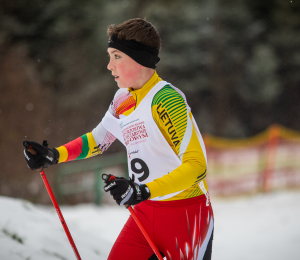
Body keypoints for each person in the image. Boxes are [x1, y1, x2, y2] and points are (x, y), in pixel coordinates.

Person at [23, 18, 214, 260]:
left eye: (116, 56)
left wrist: (142, 190)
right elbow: (98, 139)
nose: (109, 66)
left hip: (186, 217)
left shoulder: (165, 99)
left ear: (140, 58)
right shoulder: (122, 99)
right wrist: (54, 155)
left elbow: (197, 167)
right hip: (144, 213)